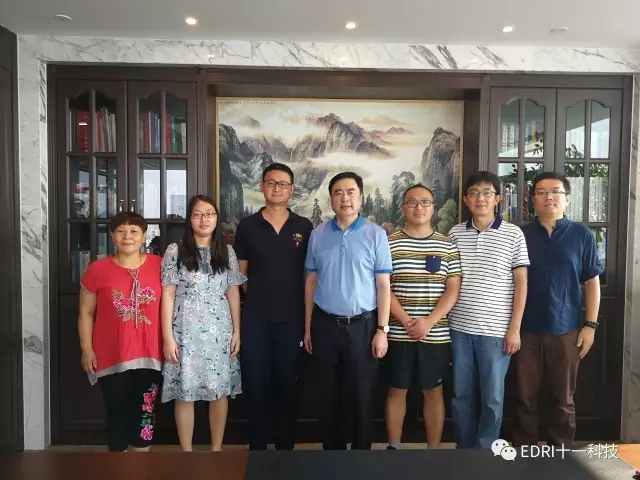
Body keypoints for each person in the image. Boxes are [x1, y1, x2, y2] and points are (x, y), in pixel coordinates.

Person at [513, 172, 603, 447]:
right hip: (525, 330)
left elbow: (592, 282)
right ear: (533, 199)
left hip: (566, 329)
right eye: (541, 192)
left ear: (567, 198)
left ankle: (560, 454)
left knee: (563, 398)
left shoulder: (581, 234)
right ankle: (524, 452)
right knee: (524, 396)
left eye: (555, 192)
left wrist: (590, 326)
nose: (548, 197)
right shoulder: (520, 234)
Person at [304, 171, 392, 450]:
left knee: (362, 395)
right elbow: (311, 281)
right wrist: (307, 328)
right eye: (338, 192)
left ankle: (361, 456)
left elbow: (383, 285)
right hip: (324, 325)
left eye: (351, 192)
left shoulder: (376, 235)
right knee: (328, 395)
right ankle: (333, 455)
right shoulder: (317, 235)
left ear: (361, 198)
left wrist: (382, 330)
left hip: (363, 326)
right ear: (331, 199)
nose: (345, 198)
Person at [234, 163, 313, 450]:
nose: (276, 188)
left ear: (292, 189)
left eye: (283, 184)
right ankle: (257, 450)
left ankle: (284, 450)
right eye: (271, 183)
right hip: (255, 320)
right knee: (255, 385)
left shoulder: (304, 227)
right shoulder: (247, 226)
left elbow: (309, 276)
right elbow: (240, 275)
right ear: (262, 186)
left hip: (292, 320)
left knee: (287, 385)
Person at [447, 171, 529, 449]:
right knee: (461, 395)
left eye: (486, 193)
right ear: (466, 199)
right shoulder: (455, 233)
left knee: (492, 398)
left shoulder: (513, 234)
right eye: (473, 193)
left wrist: (514, 329)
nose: (479, 198)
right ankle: (464, 450)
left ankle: (485, 452)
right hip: (459, 329)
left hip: (496, 332)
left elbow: (521, 283)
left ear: (497, 199)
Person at [160, 195, 245, 451]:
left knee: (219, 390)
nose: (203, 219)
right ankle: (186, 452)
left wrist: (237, 332)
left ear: (216, 218)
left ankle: (216, 450)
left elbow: (233, 292)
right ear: (189, 219)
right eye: (197, 214)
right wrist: (167, 337)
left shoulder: (227, 251)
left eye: (209, 214)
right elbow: (168, 294)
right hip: (184, 331)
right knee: (184, 391)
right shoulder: (175, 251)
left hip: (219, 332)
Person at [77, 211, 163, 452]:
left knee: (146, 410)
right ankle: (118, 464)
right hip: (111, 353)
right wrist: (86, 348)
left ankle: (141, 463)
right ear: (112, 237)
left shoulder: (160, 266)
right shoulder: (97, 269)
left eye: (134, 231)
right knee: (116, 410)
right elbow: (86, 312)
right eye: (120, 231)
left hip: (151, 353)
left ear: (144, 236)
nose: (128, 237)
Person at [384, 184, 462, 450]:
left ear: (433, 207)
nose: (419, 207)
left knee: (434, 391)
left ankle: (433, 452)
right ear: (403, 207)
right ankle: (394, 448)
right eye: (412, 202)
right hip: (398, 332)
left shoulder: (447, 245)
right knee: (397, 390)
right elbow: (383, 288)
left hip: (436, 334)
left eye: (425, 202)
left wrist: (428, 322)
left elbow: (453, 289)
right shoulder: (388, 243)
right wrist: (407, 321)